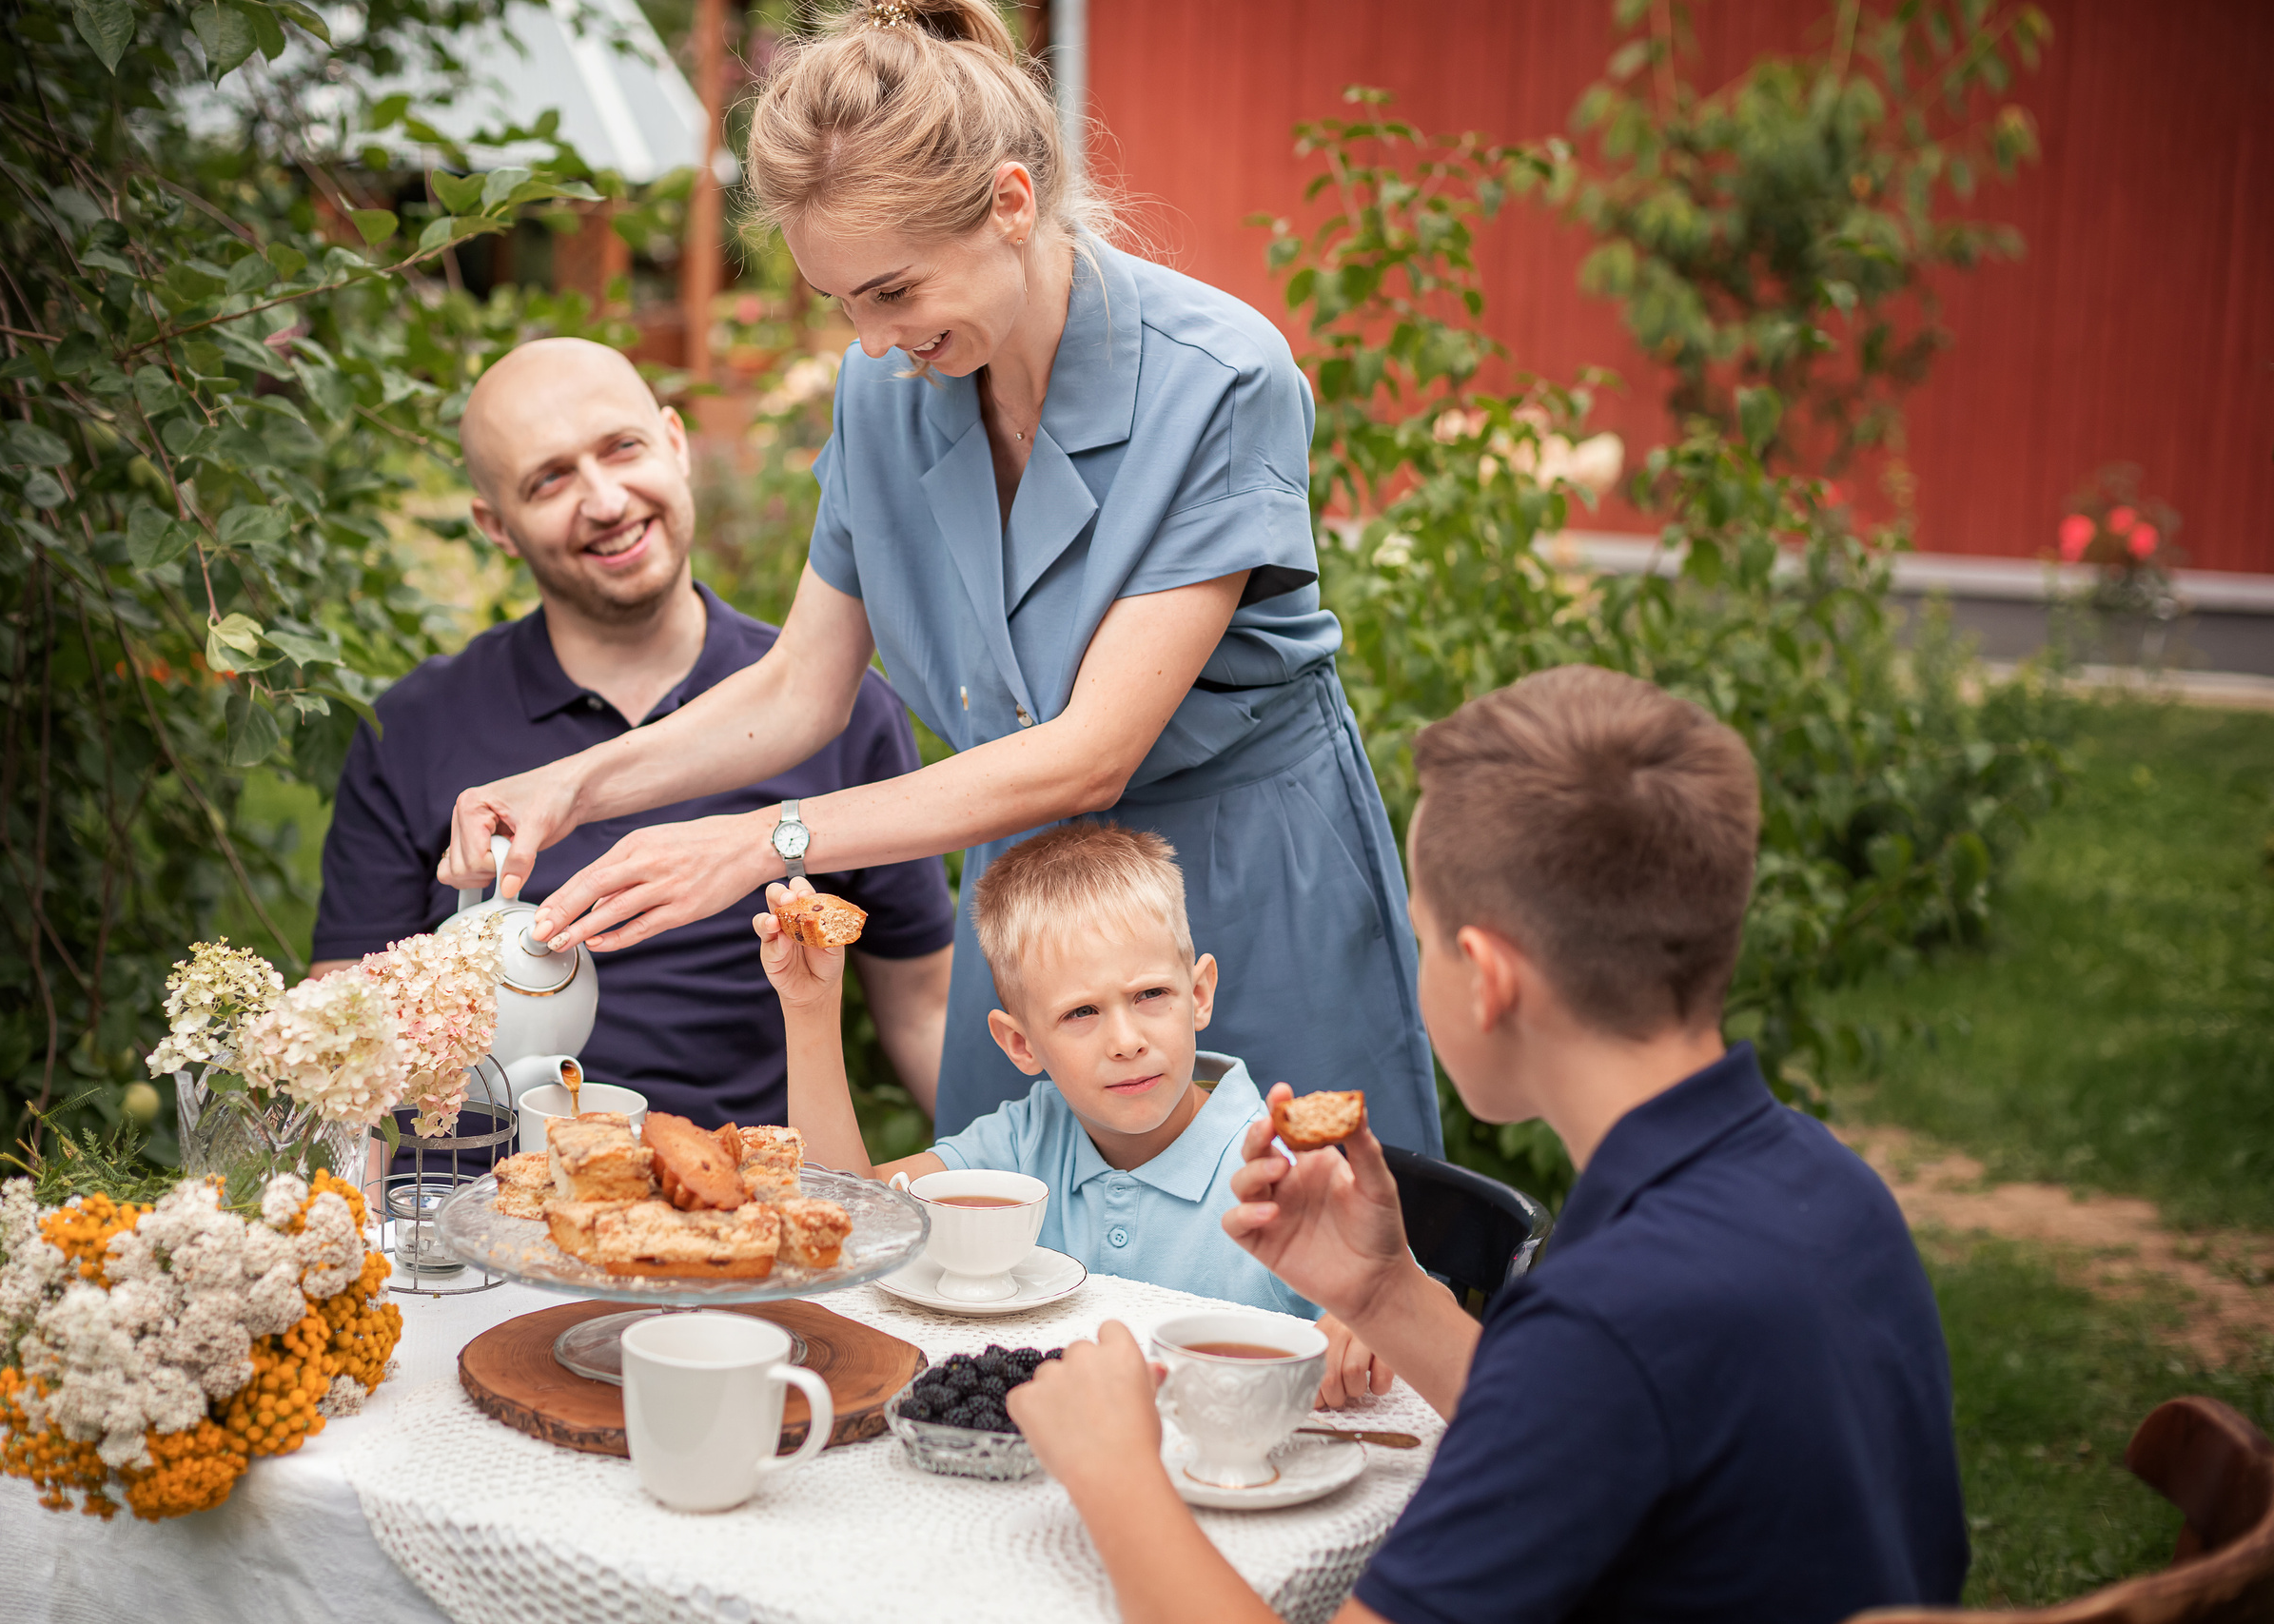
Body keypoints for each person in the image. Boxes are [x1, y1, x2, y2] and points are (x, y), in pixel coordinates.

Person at [431, 0, 1441, 1155]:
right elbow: (797, 689)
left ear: (1012, 204)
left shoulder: (1222, 377)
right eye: (840, 302)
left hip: (1237, 889)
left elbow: (1089, 751)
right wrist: (577, 785)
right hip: (1025, 899)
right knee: (1016, 1292)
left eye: (894, 292)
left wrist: (764, 842)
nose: (867, 342)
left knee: (1287, 1286)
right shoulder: (888, 387)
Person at [1006, 666, 1970, 1624]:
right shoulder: (1826, 1185)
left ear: (1485, 979)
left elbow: (1592, 1375)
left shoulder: (1612, 1320)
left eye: (1419, 938)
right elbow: (1587, 1422)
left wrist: (1114, 1475)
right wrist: (1385, 1293)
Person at [309, 339, 955, 1128]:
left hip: (735, 1202)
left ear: (676, 445)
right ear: (496, 525)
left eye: (623, 448)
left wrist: (1008, 1203)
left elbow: (926, 1010)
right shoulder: (413, 727)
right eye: (549, 480)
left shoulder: (841, 705)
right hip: (467, 1210)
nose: (607, 501)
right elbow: (342, 1034)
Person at [755, 825, 1314, 1321]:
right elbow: (842, 1222)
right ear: (1021, 1044)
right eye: (1081, 1013)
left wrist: (1360, 1325)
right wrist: (810, 1010)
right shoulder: (1022, 1144)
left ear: (1198, 995)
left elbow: (1389, 1307)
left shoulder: (1285, 1176)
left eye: (1150, 995)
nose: (1126, 1042)